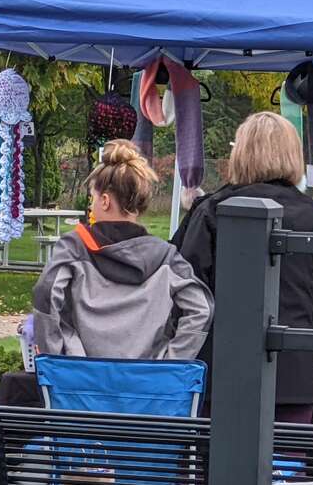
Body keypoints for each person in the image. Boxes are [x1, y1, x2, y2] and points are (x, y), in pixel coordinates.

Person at [173, 112, 313, 422]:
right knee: (286, 468)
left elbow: (185, 292)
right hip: (293, 380)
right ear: (293, 155)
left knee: (219, 468)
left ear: (241, 153)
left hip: (218, 375)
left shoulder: (210, 212)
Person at [32, 139, 213, 362]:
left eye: (93, 197)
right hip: (146, 386)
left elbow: (45, 294)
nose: (91, 205)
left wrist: (57, 357)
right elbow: (201, 308)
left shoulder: (73, 248)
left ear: (105, 200)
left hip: (81, 383)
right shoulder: (166, 258)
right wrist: (171, 361)